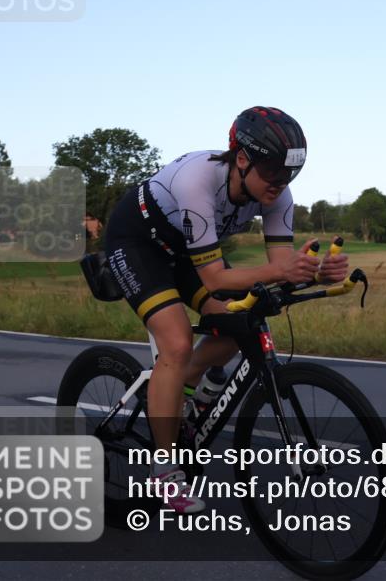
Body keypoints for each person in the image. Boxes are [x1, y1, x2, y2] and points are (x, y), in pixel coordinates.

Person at [103, 106, 348, 513]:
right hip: (138, 245)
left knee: (243, 318)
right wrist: (281, 271)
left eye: (290, 173)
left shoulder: (277, 195)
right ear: (242, 158)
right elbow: (216, 279)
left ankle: (188, 386)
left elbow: (280, 270)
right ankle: (163, 471)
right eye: (271, 171)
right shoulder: (198, 180)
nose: (280, 182)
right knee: (177, 343)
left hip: (186, 254)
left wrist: (316, 273)